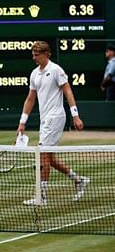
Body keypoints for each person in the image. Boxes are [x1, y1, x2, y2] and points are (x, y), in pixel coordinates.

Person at [18, 41, 89, 206]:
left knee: (42, 154)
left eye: (37, 55)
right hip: (45, 120)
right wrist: (22, 122)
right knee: (49, 157)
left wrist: (75, 116)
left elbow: (68, 91)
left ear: (46, 54)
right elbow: (30, 98)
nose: (34, 58)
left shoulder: (56, 70)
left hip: (56, 117)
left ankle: (41, 197)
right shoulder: (34, 74)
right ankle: (79, 180)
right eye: (33, 55)